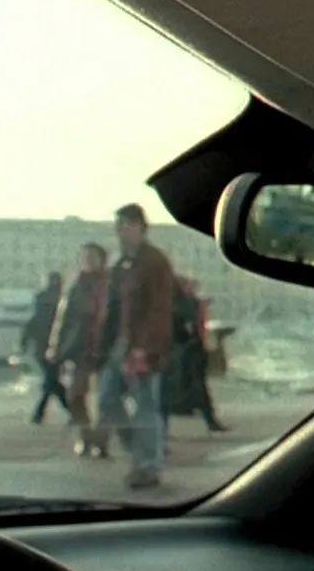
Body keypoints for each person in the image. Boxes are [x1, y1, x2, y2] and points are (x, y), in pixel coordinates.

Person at [89, 203, 177, 490]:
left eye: (125, 226)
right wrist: (102, 348)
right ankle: (138, 452)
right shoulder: (121, 265)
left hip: (143, 345)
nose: (120, 232)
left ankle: (148, 466)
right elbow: (112, 309)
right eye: (118, 227)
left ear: (141, 227)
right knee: (107, 399)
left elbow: (160, 308)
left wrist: (145, 347)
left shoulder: (154, 262)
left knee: (146, 406)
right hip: (120, 344)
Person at [47, 243, 111, 458]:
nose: (89, 261)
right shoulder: (77, 286)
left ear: (102, 260)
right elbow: (62, 319)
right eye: (86, 257)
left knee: (108, 398)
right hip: (81, 347)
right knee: (75, 395)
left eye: (93, 257)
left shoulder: (111, 284)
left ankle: (101, 441)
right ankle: (87, 435)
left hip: (106, 347)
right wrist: (55, 346)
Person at [163, 275, 228, 434]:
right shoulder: (185, 304)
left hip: (186, 351)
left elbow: (197, 327)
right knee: (187, 388)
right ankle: (209, 420)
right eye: (189, 286)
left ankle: (208, 420)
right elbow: (195, 327)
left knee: (180, 390)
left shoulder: (181, 303)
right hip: (185, 351)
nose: (192, 289)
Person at [21, 271, 68, 424]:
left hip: (41, 347)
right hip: (54, 346)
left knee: (51, 381)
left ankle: (40, 414)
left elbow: (31, 324)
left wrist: (24, 343)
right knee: (52, 381)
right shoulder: (60, 301)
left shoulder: (41, 301)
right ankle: (70, 410)